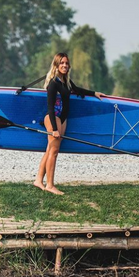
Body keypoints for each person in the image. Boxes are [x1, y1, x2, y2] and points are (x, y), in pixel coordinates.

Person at [33, 52, 106, 196]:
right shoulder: (53, 83)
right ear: (56, 65)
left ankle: (38, 180)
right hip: (54, 118)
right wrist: (54, 128)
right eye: (62, 63)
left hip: (62, 119)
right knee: (54, 152)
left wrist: (94, 93)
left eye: (66, 63)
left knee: (50, 150)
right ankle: (50, 185)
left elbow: (77, 90)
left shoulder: (65, 81)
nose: (65, 65)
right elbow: (50, 107)